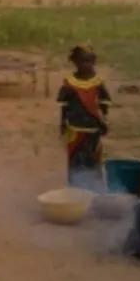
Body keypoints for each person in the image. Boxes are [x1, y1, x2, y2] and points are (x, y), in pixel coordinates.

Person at [57, 44, 111, 190]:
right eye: (82, 61)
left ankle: (95, 191)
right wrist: (62, 125)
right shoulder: (69, 83)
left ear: (93, 62)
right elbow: (64, 107)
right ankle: (76, 191)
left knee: (93, 160)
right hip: (75, 129)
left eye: (89, 61)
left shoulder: (98, 83)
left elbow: (104, 105)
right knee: (75, 161)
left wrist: (104, 121)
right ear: (75, 62)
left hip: (94, 129)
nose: (86, 65)